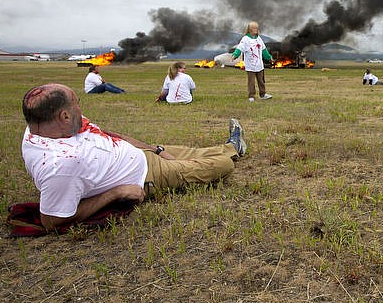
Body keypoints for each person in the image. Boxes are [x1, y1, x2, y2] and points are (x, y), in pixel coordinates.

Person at [21, 83, 247, 232]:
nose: (81, 108)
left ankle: (233, 146)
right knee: (222, 165)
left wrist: (155, 149)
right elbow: (51, 221)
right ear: (64, 115)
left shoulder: (52, 125)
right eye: (77, 103)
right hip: (146, 176)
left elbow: (109, 134)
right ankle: (230, 153)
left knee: (195, 152)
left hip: (142, 155)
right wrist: (117, 192)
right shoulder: (60, 165)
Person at [230, 21, 273, 102]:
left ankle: (263, 94)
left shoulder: (259, 39)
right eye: (254, 28)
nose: (256, 29)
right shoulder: (245, 39)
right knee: (251, 82)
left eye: (257, 28)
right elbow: (240, 48)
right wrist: (235, 55)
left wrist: (269, 57)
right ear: (249, 29)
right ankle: (251, 96)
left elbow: (264, 50)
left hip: (259, 65)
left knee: (261, 81)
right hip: (250, 66)